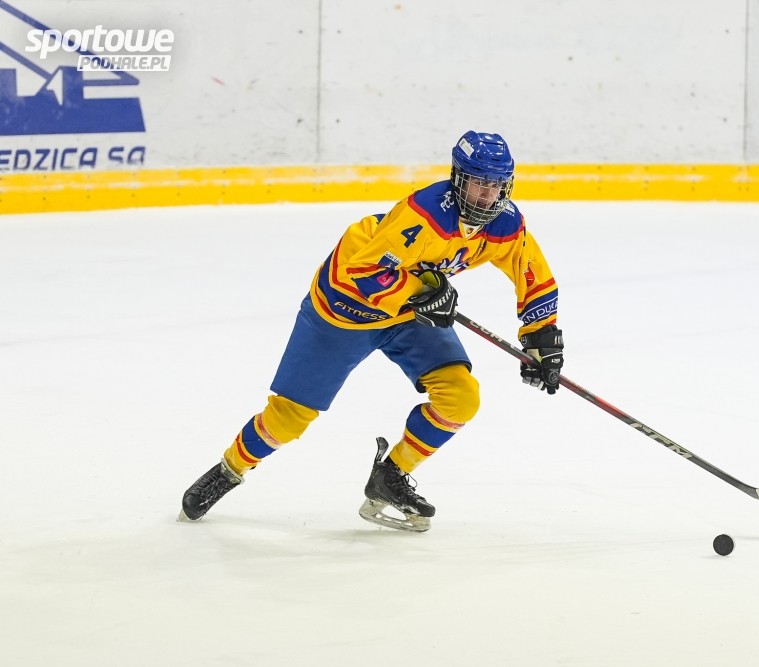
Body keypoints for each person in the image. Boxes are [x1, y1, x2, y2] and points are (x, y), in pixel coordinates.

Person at [179, 131, 564, 532]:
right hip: (344, 310)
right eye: (479, 183)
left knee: (461, 397)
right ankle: (229, 470)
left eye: (497, 185)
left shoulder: (505, 223)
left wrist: (541, 338)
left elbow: (533, 275)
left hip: (406, 314)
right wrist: (420, 290)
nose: (488, 195)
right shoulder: (425, 214)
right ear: (458, 179)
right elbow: (362, 272)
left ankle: (390, 477)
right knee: (288, 419)